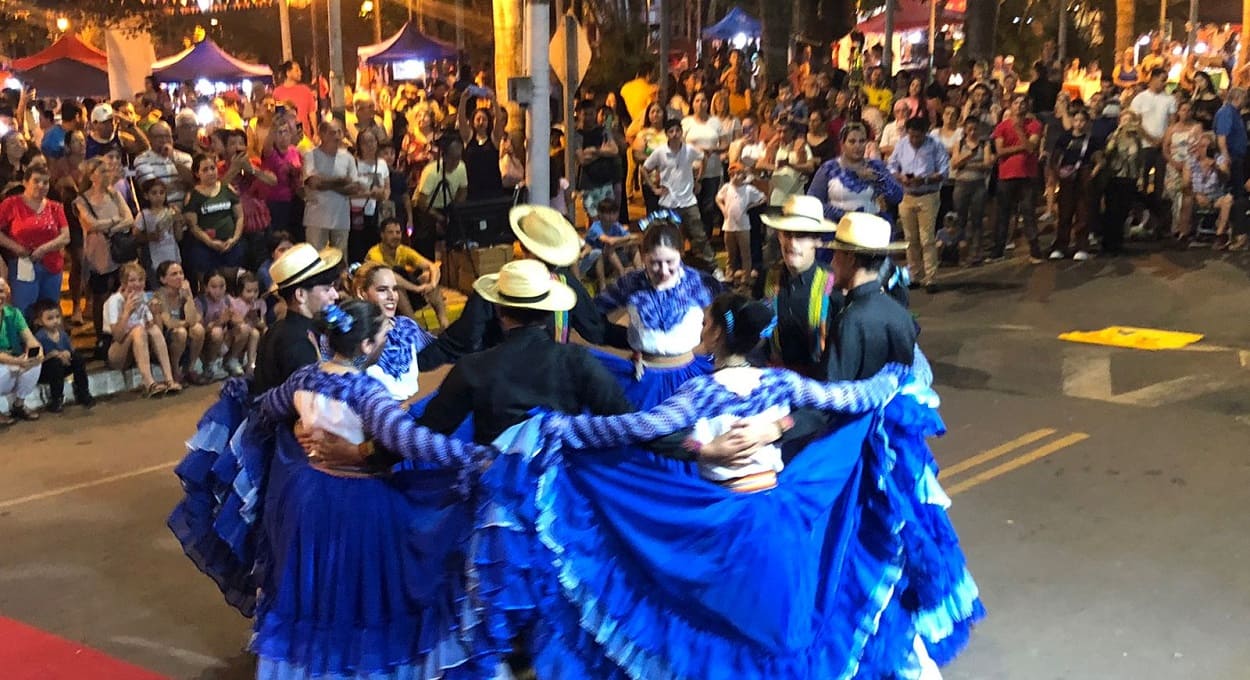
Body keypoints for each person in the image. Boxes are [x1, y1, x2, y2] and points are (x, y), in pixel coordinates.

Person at [441, 205, 607, 352]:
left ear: (521, 246)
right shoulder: (567, 285)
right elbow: (595, 331)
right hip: (550, 378)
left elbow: (471, 340)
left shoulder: (495, 288)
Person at [593, 218, 719, 410]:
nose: (663, 271)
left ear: (681, 254)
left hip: (690, 378)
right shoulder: (630, 283)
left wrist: (712, 346)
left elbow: (727, 316)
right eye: (655, 263)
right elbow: (596, 310)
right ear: (643, 257)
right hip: (642, 379)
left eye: (670, 262)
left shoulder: (700, 283)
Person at [252, 243, 342, 393]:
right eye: (327, 289)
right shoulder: (297, 343)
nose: (335, 295)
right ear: (300, 295)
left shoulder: (282, 329)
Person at [642, 118, 717, 273]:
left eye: (678, 130)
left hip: (688, 200)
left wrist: (699, 180)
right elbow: (644, 169)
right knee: (671, 239)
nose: (675, 134)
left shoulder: (689, 150)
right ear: (667, 134)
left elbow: (703, 158)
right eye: (671, 131)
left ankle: (713, 267)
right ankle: (675, 269)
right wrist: (654, 189)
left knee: (700, 235)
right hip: (668, 202)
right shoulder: (660, 152)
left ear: (681, 132)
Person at [75, 156, 134, 345]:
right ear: (92, 176)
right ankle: (101, 337)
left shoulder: (114, 195)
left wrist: (108, 227)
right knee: (100, 296)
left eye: (108, 170)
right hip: (97, 255)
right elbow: (91, 224)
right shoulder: (81, 200)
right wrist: (115, 222)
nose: (107, 174)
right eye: (102, 171)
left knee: (121, 291)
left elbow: (130, 218)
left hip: (117, 252)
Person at [888, 116, 950, 291]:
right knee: (910, 238)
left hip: (927, 195)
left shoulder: (935, 145)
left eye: (918, 137)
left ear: (925, 133)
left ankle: (931, 277)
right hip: (906, 196)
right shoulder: (902, 144)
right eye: (911, 136)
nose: (914, 140)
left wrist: (925, 179)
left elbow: (945, 170)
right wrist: (900, 177)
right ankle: (914, 275)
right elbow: (891, 165)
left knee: (927, 239)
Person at [0, 165, 70, 313]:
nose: (41, 186)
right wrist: (15, 247)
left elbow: (65, 236)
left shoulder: (55, 207)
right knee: (23, 310)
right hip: (23, 264)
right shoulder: (11, 204)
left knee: (49, 310)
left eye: (45, 182)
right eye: (36, 181)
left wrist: (44, 248)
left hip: (52, 266)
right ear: (25, 183)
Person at [104, 262, 181, 397]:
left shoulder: (144, 298)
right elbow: (117, 336)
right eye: (132, 280)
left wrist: (155, 313)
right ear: (123, 283)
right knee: (138, 330)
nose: (137, 284)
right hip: (118, 350)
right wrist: (127, 312)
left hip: (141, 348)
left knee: (154, 330)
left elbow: (156, 329)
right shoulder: (114, 301)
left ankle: (169, 379)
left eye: (140, 280)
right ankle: (149, 383)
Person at [808, 122, 904, 224]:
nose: (858, 146)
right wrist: (844, 215)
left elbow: (898, 197)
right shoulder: (829, 168)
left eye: (862, 141)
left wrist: (878, 179)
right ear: (842, 144)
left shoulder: (876, 167)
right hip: (838, 228)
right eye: (852, 142)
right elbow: (813, 202)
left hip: (871, 228)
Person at [365, 218, 449, 328]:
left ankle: (444, 323)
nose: (395, 236)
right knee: (394, 284)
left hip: (404, 296)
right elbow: (389, 276)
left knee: (427, 276)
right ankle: (415, 326)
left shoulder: (403, 250)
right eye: (390, 233)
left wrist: (431, 283)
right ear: (382, 235)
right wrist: (416, 288)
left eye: (398, 232)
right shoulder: (374, 253)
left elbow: (432, 266)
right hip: (381, 298)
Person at [990, 94, 1045, 262]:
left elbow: (1031, 147)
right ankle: (998, 250)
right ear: (1011, 106)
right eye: (1016, 102)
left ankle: (1035, 251)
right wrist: (1022, 146)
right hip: (1006, 174)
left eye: (1023, 102)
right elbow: (1000, 151)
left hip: (1027, 174)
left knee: (1028, 212)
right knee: (1003, 213)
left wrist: (1020, 131)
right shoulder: (1001, 127)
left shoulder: (1035, 125)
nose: (1020, 105)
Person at [182, 154, 244, 285]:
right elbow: (193, 226)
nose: (210, 172)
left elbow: (240, 216)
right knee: (208, 284)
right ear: (197, 173)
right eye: (205, 170)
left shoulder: (227, 189)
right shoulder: (192, 196)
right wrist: (210, 242)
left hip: (230, 244)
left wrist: (234, 239)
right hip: (205, 247)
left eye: (212, 168)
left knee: (232, 282)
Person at [1048, 109, 1101, 260]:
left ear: (1087, 123)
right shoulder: (1064, 138)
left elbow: (1099, 160)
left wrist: (1091, 174)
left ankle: (1081, 246)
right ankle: (1060, 245)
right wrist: (1057, 174)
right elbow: (1055, 158)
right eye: (1076, 120)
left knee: (1082, 212)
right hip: (1066, 177)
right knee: (1065, 212)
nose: (1079, 124)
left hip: (1083, 175)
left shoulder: (1091, 140)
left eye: (1082, 121)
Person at [302, 119, 361, 253]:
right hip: (316, 220)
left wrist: (326, 183)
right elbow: (313, 183)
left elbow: (355, 188)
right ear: (321, 135)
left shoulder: (348, 158)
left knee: (340, 260)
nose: (336, 136)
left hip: (341, 219)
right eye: (332, 133)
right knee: (315, 260)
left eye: (339, 132)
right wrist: (341, 181)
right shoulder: (311, 155)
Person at [31, 298, 94, 412]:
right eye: (50, 318)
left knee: (78, 359)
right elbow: (36, 360)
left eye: (57, 317)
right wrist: (51, 355)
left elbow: (71, 349)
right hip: (46, 370)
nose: (55, 321)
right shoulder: (39, 337)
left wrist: (68, 353)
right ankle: (56, 399)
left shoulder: (63, 335)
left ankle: (83, 392)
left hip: (63, 364)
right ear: (39, 321)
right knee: (55, 364)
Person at [413, 134, 467, 261]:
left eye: (458, 158)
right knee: (426, 232)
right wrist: (438, 217)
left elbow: (463, 191)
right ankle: (426, 265)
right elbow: (421, 202)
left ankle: (455, 261)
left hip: (447, 205)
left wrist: (455, 210)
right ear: (445, 156)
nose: (455, 162)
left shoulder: (461, 167)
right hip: (427, 208)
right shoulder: (431, 172)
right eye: (452, 158)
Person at [950, 116, 995, 265]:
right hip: (962, 184)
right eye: (969, 129)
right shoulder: (960, 143)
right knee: (960, 219)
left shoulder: (984, 144)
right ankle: (960, 253)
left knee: (977, 219)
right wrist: (969, 156)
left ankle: (976, 252)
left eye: (975, 129)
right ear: (964, 130)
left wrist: (967, 164)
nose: (972, 132)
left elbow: (988, 164)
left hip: (978, 184)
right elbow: (955, 164)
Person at [0, 276, 43, 425]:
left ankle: (19, 405)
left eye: (1, 291)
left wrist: (38, 351)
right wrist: (17, 361)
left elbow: (30, 339)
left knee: (35, 363)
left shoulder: (14, 313)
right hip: (6, 363)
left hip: (12, 361)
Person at [716, 162, 766, 283]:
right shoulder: (727, 187)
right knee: (730, 252)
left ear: (743, 175)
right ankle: (730, 273)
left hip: (743, 226)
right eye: (733, 174)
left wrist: (751, 206)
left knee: (745, 253)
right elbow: (718, 198)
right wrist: (723, 209)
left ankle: (746, 275)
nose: (735, 177)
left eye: (738, 174)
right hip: (729, 225)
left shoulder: (748, 189)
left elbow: (763, 197)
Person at [348, 127, 392, 263]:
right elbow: (348, 191)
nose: (370, 146)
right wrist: (369, 193)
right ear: (359, 145)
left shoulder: (382, 164)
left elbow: (387, 188)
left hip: (375, 214)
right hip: (357, 213)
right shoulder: (353, 164)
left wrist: (383, 195)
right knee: (357, 250)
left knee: (374, 250)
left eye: (372, 141)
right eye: (365, 142)